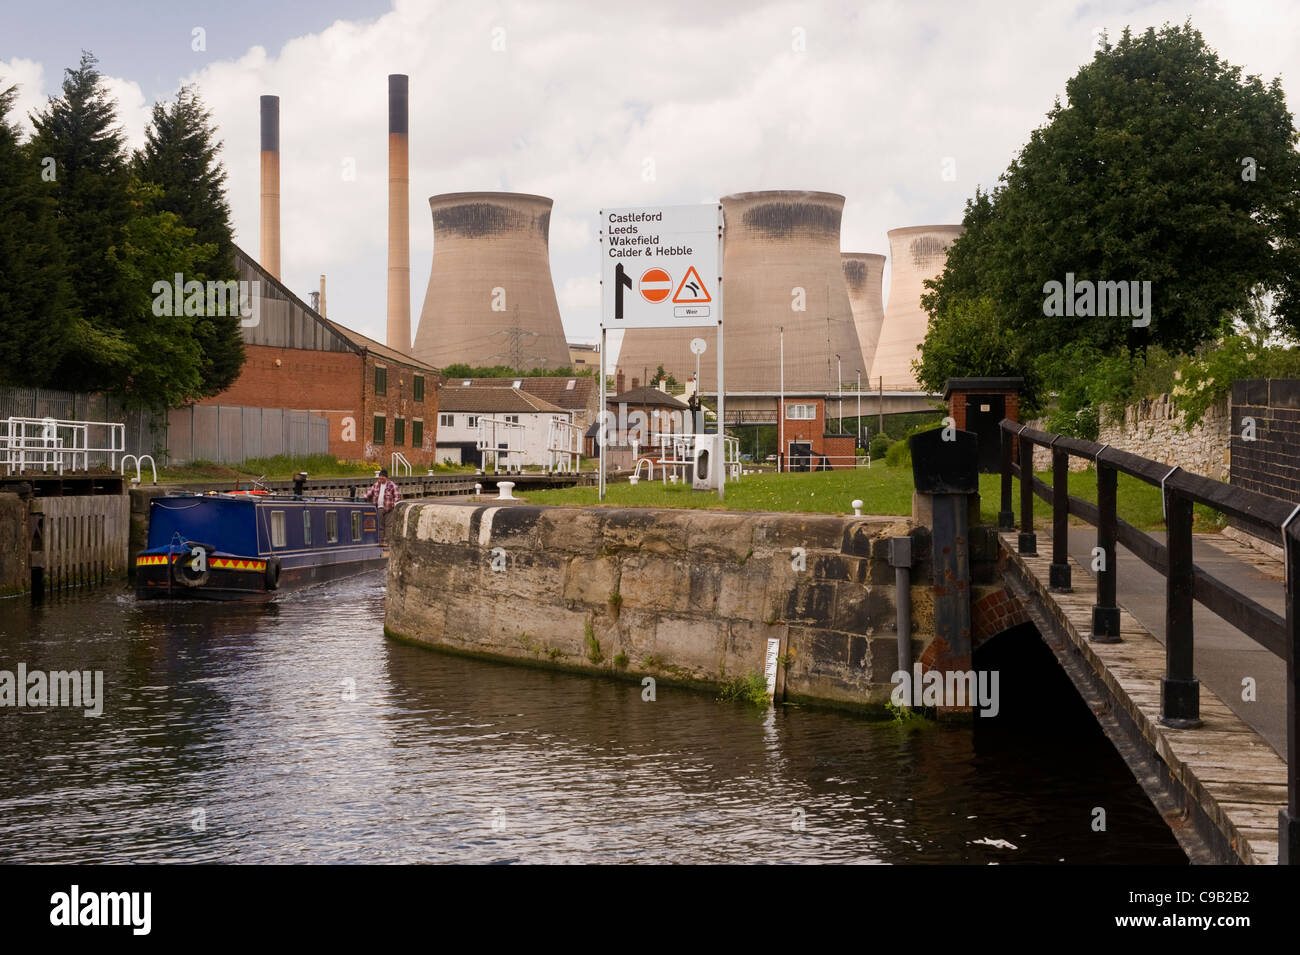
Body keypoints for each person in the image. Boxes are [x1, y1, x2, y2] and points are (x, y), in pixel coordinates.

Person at [363, 469, 402, 543]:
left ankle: (387, 542)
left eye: (382, 477)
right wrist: (363, 498)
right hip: (379, 508)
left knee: (388, 526)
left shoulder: (392, 485)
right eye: (380, 476)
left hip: (389, 508)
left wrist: (393, 504)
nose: (380, 478)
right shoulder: (376, 485)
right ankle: (380, 541)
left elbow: (397, 497)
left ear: (386, 477)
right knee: (380, 526)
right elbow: (369, 493)